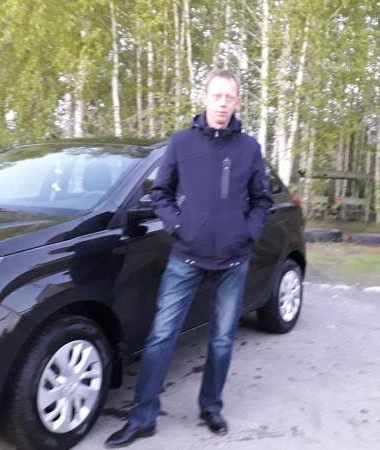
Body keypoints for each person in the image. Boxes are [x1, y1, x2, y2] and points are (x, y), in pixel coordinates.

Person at [105, 69, 273, 448]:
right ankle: (143, 417)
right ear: (204, 98)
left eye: (229, 97)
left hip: (233, 260)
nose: (222, 104)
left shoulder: (248, 148)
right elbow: (160, 193)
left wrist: (247, 232)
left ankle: (211, 407)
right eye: (217, 96)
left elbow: (262, 199)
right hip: (186, 257)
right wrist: (178, 226)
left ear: (238, 102)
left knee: (223, 339)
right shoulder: (181, 143)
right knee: (161, 336)